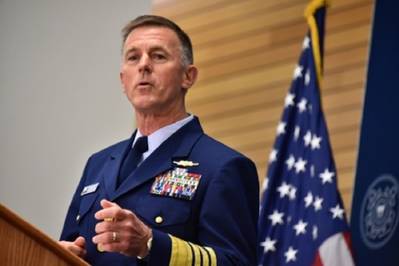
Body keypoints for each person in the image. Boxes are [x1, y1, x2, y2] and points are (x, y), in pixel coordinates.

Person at [59, 15, 259, 265]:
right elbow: (71, 243)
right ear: (123, 80)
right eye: (133, 57)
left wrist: (150, 243)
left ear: (188, 76)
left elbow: (236, 262)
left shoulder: (223, 166)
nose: (143, 65)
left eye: (158, 56)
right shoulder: (97, 164)